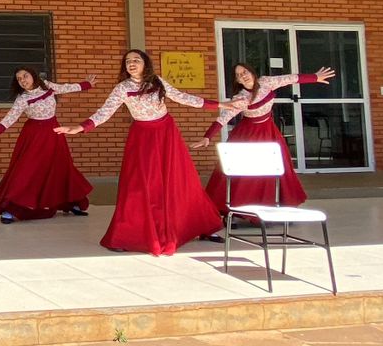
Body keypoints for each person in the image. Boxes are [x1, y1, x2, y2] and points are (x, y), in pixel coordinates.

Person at [57, 49, 243, 256]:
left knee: (181, 181)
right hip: (142, 138)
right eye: (128, 61)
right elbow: (104, 112)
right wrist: (80, 127)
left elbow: (184, 98)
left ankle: (202, 226)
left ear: (145, 63)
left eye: (136, 60)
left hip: (166, 134)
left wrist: (221, 104)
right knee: (140, 185)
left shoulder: (158, 81)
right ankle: (126, 235)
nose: (131, 63)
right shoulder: (122, 88)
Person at [192, 64, 336, 211]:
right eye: (239, 75)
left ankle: (278, 205)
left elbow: (290, 79)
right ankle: (241, 208)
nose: (243, 76)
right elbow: (222, 119)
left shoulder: (266, 82)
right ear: (238, 81)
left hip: (269, 131)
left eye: (244, 72)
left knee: (278, 166)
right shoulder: (240, 98)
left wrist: (315, 77)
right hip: (248, 137)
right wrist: (207, 137)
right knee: (248, 171)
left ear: (252, 72)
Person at [0, 68, 96, 223]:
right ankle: (10, 209)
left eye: (25, 76)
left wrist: (86, 84)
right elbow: (10, 116)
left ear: (33, 75)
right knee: (26, 170)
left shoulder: (47, 86)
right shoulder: (22, 98)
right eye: (19, 79)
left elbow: (65, 87)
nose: (22, 80)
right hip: (34, 136)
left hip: (54, 133)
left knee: (60, 167)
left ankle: (71, 202)